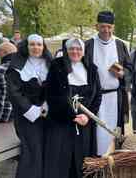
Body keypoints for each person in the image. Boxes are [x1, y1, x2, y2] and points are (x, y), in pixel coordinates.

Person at [44, 38, 101, 178]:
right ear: (66, 50)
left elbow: (97, 96)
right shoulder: (57, 65)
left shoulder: (92, 69)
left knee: (82, 158)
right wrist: (71, 116)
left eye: (78, 49)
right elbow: (51, 94)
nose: (75, 51)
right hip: (61, 121)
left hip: (84, 122)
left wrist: (87, 116)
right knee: (61, 159)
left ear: (83, 51)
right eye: (71, 48)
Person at [85, 11, 132, 156]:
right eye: (102, 26)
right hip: (95, 97)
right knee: (96, 131)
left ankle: (114, 159)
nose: (106, 30)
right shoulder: (88, 45)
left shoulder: (120, 45)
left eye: (109, 27)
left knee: (114, 130)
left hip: (115, 97)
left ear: (113, 27)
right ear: (96, 26)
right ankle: (96, 160)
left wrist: (123, 74)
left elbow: (129, 69)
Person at [6, 34, 52, 178]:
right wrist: (30, 110)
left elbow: (55, 88)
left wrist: (47, 105)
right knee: (33, 149)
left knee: (47, 147)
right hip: (25, 114)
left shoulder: (49, 63)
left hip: (46, 113)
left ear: (43, 47)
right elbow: (14, 93)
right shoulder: (17, 65)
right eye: (32, 44)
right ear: (26, 46)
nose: (36, 48)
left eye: (39, 44)